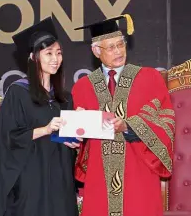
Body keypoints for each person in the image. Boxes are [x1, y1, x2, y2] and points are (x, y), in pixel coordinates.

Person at [72, 14, 175, 216]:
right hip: (98, 179)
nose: (118, 51)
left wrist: (128, 126)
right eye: (111, 47)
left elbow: (166, 121)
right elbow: (77, 146)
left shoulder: (149, 78)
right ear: (96, 51)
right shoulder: (81, 88)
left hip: (139, 177)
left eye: (121, 44)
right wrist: (74, 131)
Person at [0, 17, 80, 216]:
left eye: (59, 53)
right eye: (49, 53)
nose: (56, 59)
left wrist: (75, 135)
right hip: (31, 177)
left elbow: (65, 141)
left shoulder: (65, 98)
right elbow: (9, 138)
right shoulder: (18, 93)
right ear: (33, 57)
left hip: (60, 177)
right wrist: (45, 129)